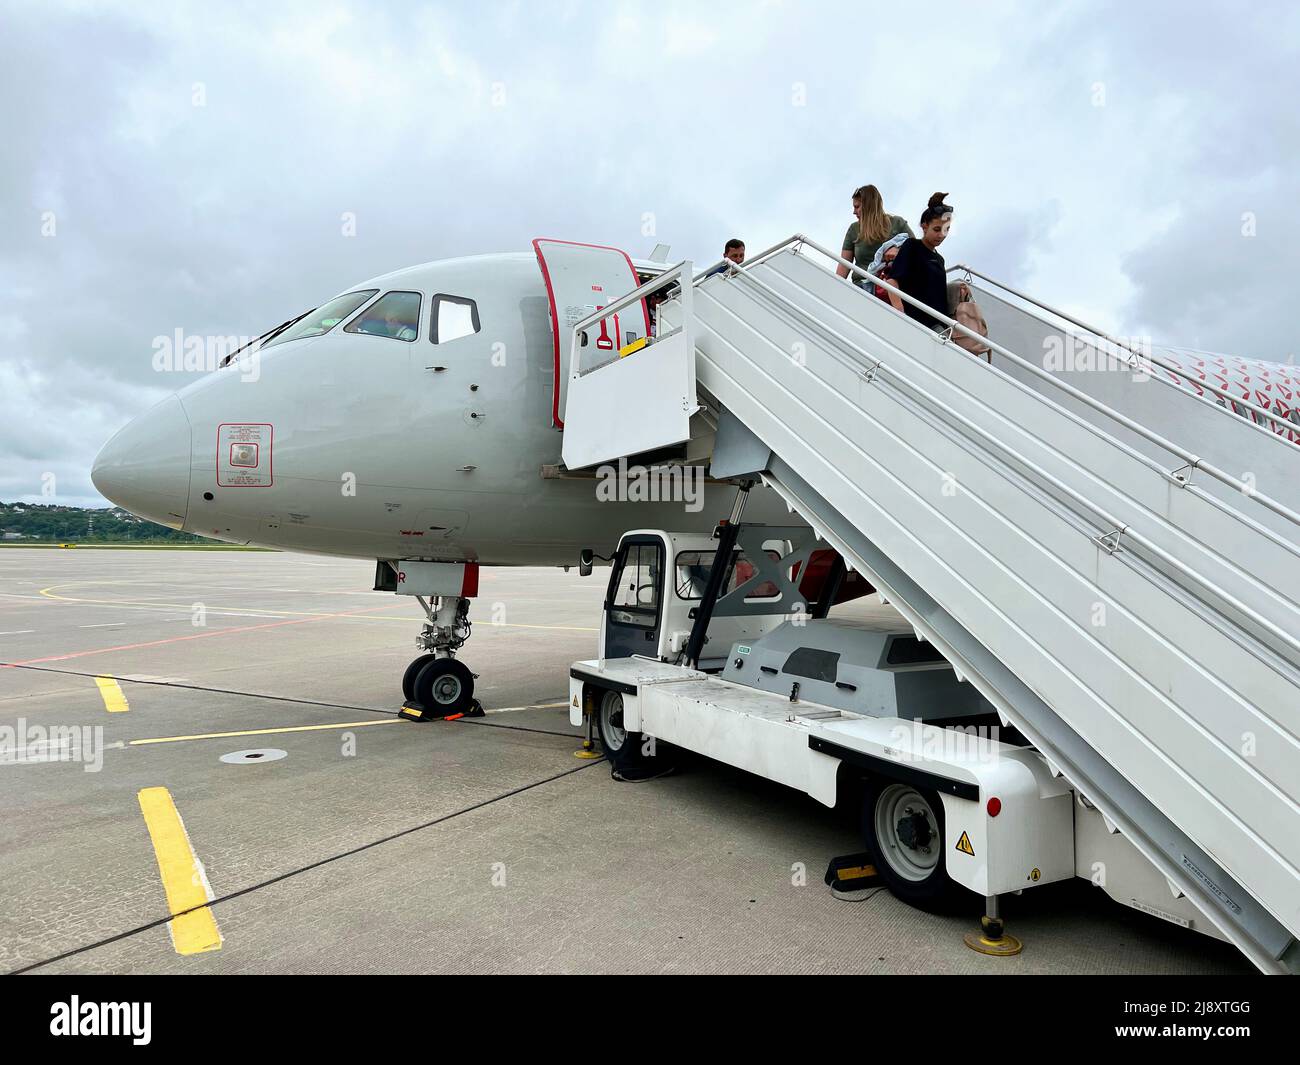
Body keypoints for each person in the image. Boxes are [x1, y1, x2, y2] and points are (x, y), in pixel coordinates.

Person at [887, 192, 954, 330]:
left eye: (946, 230)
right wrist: (900, 313)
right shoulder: (912, 246)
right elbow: (892, 281)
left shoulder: (940, 259)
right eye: (937, 229)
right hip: (915, 322)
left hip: (938, 326)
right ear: (924, 226)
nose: (941, 235)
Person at [837, 184, 912, 280]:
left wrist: (898, 249)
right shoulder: (854, 229)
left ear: (868, 205)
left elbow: (917, 250)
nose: (854, 212)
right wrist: (834, 287)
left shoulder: (897, 223)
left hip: (891, 284)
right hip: (862, 286)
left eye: (857, 207)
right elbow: (844, 263)